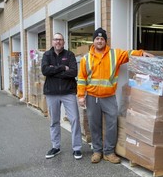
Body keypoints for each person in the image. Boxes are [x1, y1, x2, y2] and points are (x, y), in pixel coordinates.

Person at [77, 27, 154, 164]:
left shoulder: (114, 54)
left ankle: (109, 152)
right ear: (93, 41)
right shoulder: (86, 59)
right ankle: (97, 151)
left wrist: (141, 53)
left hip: (109, 97)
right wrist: (81, 96)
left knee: (112, 124)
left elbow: (129, 53)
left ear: (105, 41)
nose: (99, 41)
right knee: (95, 125)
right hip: (92, 97)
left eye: (102, 39)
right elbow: (82, 78)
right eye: (97, 38)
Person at [41, 32, 83, 160]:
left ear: (64, 42)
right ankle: (56, 147)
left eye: (60, 40)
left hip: (68, 92)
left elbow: (73, 72)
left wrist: (54, 71)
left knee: (75, 119)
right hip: (52, 93)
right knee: (54, 121)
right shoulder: (47, 55)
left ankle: (77, 148)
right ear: (52, 42)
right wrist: (62, 68)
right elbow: (45, 71)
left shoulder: (69, 55)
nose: (58, 42)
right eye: (55, 39)